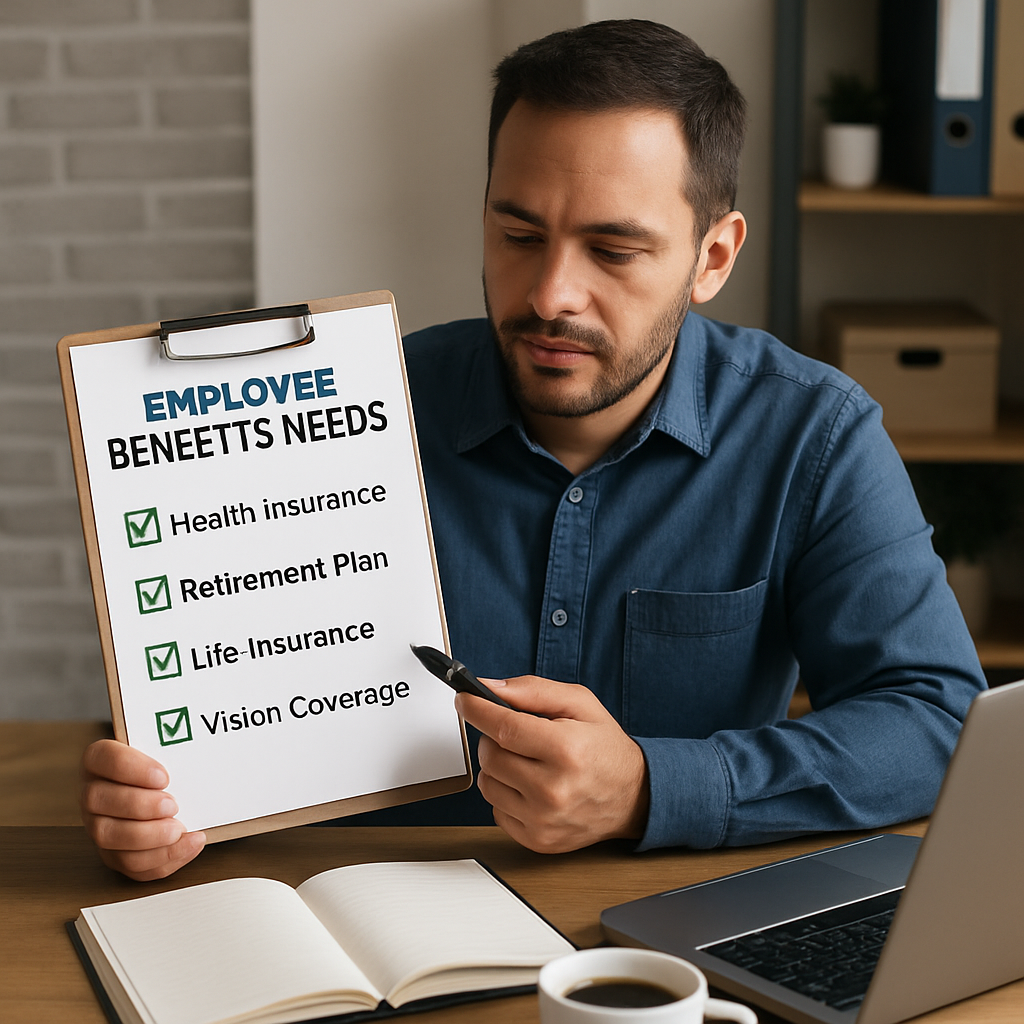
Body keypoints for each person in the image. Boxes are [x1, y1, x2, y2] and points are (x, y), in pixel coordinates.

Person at [81, 20, 986, 881]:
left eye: (613, 249)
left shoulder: (811, 434)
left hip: (662, 936)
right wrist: (168, 807)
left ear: (713, 257)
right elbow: (208, 716)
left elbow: (939, 721)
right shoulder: (354, 412)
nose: (553, 293)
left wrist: (647, 789)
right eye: (519, 236)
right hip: (352, 920)